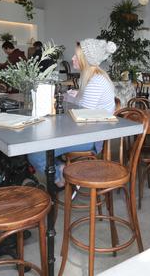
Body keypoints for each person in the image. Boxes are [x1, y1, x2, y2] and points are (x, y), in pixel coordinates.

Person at [28, 38, 117, 188]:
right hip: (86, 132)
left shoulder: (96, 81)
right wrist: (77, 97)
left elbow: (82, 117)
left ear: (86, 59)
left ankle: (59, 176)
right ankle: (62, 169)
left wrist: (71, 98)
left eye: (77, 56)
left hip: (92, 138)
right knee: (39, 145)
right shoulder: (92, 77)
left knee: (35, 153)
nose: (72, 58)